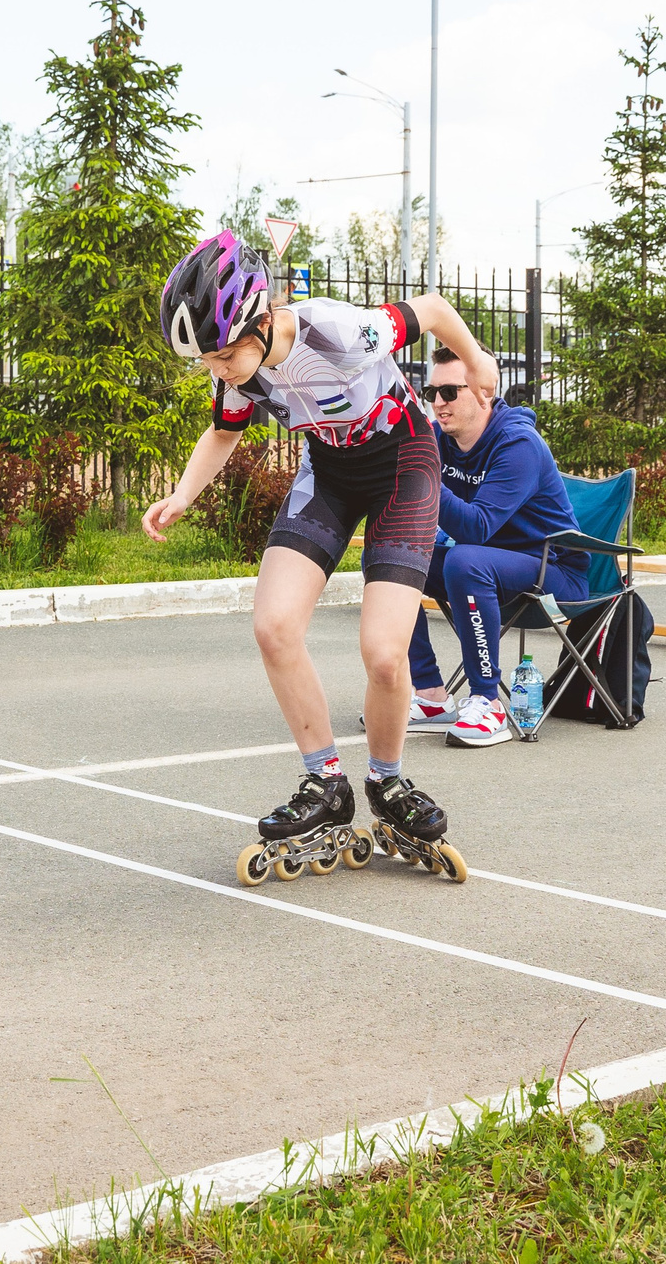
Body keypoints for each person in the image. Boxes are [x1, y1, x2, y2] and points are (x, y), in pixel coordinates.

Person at [143, 231, 497, 883]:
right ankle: (325, 784)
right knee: (273, 625)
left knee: (385, 653)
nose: (219, 369)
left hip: (402, 462)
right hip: (331, 471)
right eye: (208, 362)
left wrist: (474, 361)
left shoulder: (338, 330)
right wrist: (182, 495)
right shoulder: (238, 371)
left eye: (224, 354)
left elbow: (437, 310)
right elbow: (222, 431)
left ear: (258, 317)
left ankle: (387, 783)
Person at [403, 347, 583, 748]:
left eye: (449, 392)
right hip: (488, 569)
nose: (437, 403)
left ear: (484, 392)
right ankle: (431, 695)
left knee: (466, 561)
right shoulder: (439, 438)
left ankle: (488, 701)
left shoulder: (518, 444)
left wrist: (426, 476)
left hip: (552, 575)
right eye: (431, 391)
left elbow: (477, 530)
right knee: (388, 556)